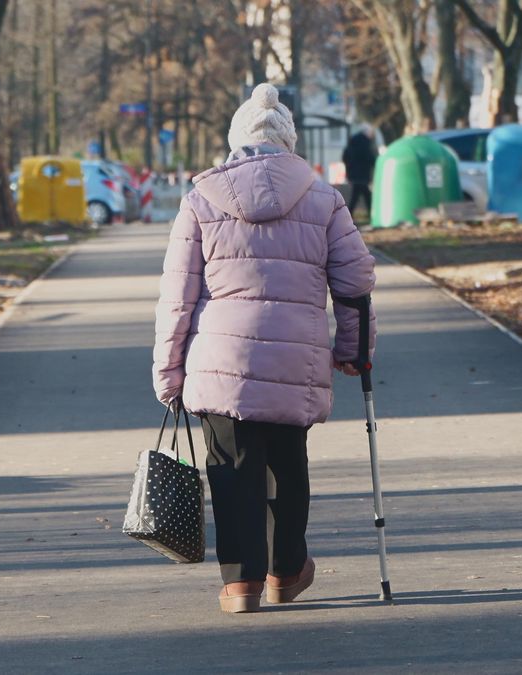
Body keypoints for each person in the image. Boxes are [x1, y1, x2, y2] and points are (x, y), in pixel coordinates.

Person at [152, 83, 376, 614]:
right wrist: (354, 349)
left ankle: (239, 584)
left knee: (230, 469)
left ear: (235, 141)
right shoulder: (325, 199)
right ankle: (286, 570)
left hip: (220, 362)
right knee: (287, 466)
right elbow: (355, 284)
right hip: (293, 356)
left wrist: (169, 370)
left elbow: (177, 295)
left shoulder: (201, 199)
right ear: (290, 141)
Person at [342, 125, 378, 219]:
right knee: (364, 194)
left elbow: (345, 157)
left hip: (353, 173)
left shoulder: (352, 142)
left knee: (358, 193)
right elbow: (369, 157)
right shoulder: (365, 142)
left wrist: (349, 168)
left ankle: (350, 214)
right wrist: (375, 163)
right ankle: (369, 214)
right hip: (363, 172)